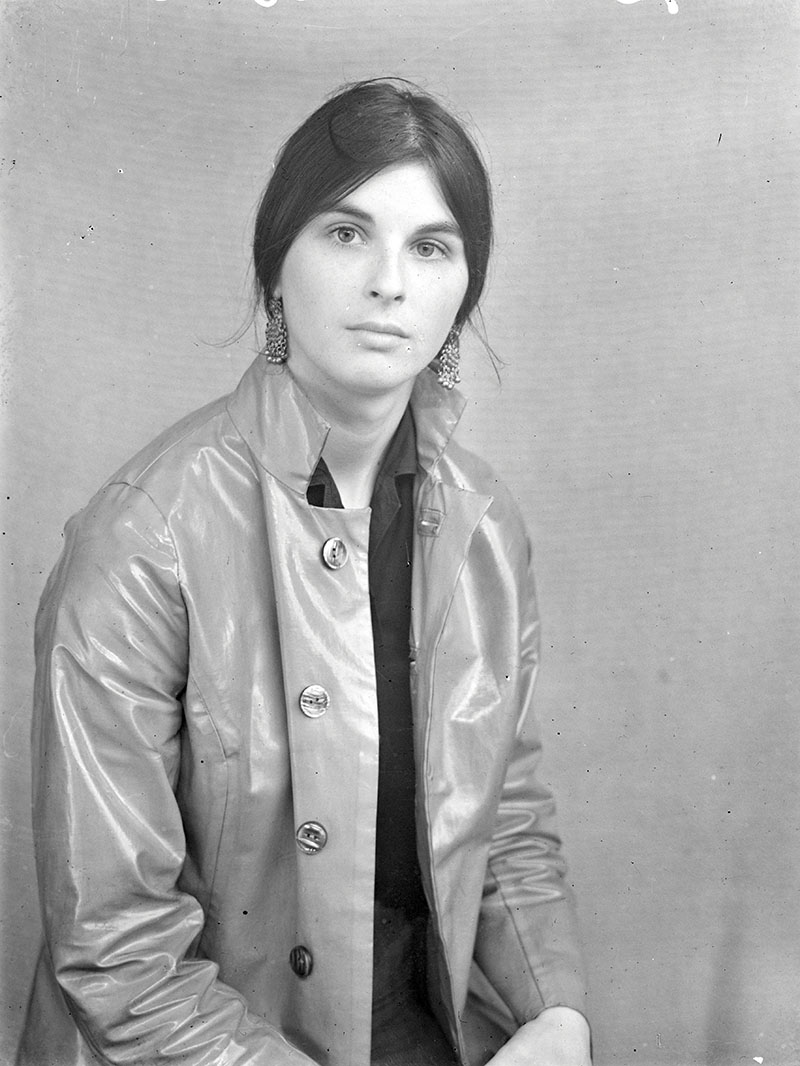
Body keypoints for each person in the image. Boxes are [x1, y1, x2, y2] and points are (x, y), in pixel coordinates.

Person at [18, 79, 591, 1066]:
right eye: (344, 232)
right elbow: (118, 946)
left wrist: (556, 1015)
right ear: (273, 270)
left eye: (429, 245)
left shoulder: (485, 523)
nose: (387, 281)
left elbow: (505, 817)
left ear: (463, 292)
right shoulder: (141, 534)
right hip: (199, 1036)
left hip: (419, 1018)